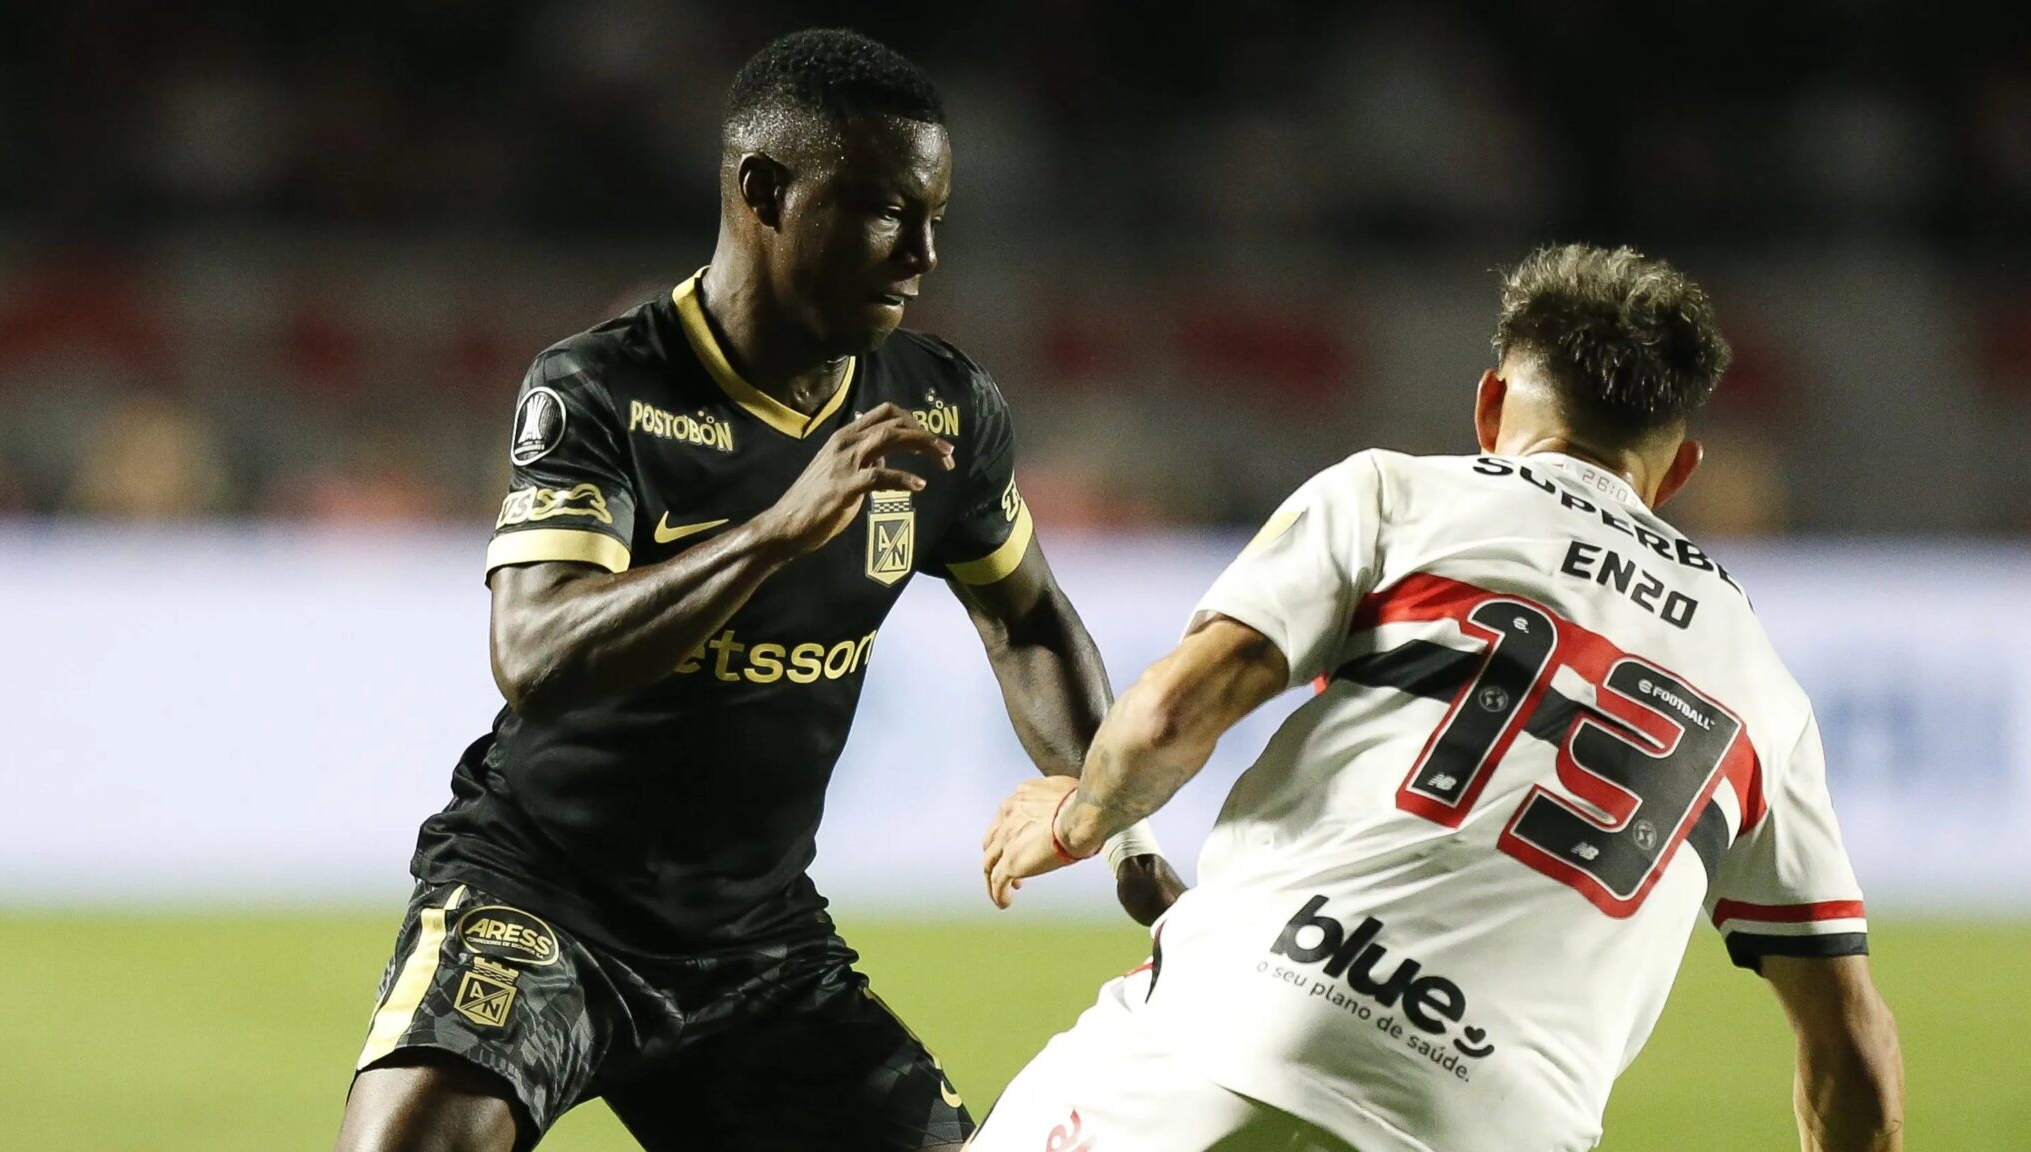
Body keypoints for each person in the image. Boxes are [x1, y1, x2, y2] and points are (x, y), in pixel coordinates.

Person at [335, 29, 1184, 1152]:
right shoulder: (604, 385)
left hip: (756, 946)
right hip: (546, 900)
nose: (921, 253)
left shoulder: (940, 405)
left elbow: (1025, 620)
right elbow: (534, 652)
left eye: (934, 217)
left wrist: (1121, 832)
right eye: (884, 210)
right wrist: (777, 533)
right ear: (764, 191)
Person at [976, 245, 1904, 1152]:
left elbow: (1167, 718)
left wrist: (1080, 820)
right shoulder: (1765, 691)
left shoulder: (1399, 497)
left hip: (1242, 1035)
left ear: (1490, 403)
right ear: (1680, 472)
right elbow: (1852, 1043)